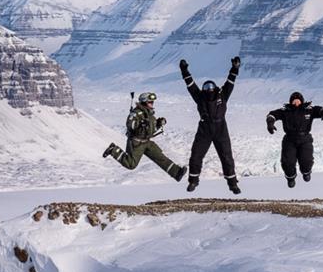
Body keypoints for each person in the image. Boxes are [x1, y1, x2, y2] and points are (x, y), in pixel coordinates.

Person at [180, 56, 241, 194]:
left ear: (216, 88)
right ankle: (193, 181)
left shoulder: (223, 95)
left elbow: (230, 81)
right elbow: (190, 84)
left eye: (211, 87)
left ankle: (232, 184)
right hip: (204, 129)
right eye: (206, 87)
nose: (209, 89)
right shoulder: (199, 97)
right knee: (196, 155)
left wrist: (235, 68)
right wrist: (184, 70)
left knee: (226, 157)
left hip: (221, 129)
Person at [102, 92, 188, 182]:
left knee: (160, 157)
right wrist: (140, 125)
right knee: (131, 164)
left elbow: (151, 131)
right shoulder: (136, 113)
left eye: (152, 102)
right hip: (136, 143)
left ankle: (177, 173)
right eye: (150, 102)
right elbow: (130, 125)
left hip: (146, 141)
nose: (152, 104)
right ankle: (113, 150)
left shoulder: (150, 115)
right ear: (144, 102)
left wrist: (159, 124)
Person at [266, 92, 323, 187]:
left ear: (302, 101)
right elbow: (272, 115)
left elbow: (320, 109)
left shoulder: (308, 110)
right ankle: (290, 177)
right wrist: (270, 123)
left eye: (298, 100)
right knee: (288, 162)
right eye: (294, 101)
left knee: (306, 160)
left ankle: (306, 172)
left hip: (305, 139)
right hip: (289, 140)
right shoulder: (285, 110)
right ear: (291, 102)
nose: (296, 102)